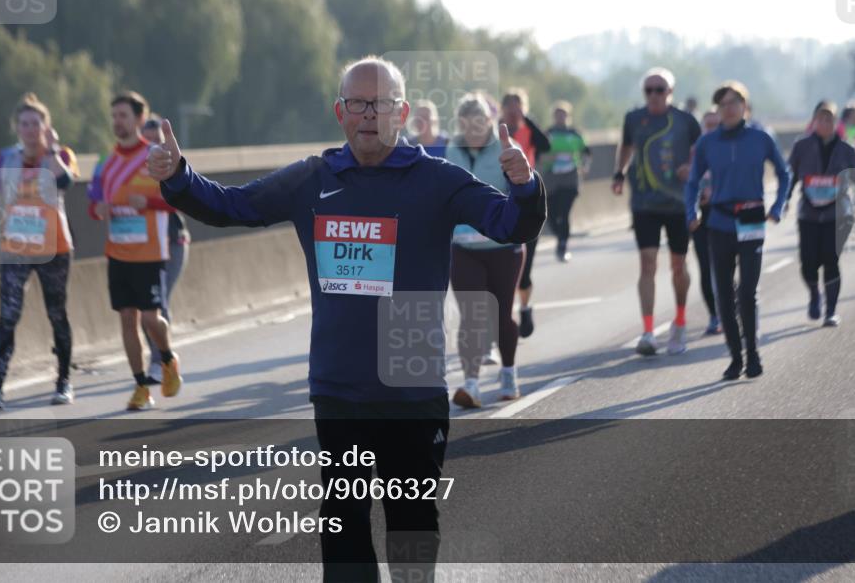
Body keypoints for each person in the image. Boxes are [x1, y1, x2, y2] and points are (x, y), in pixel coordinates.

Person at [149, 56, 545, 582]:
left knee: (412, 530)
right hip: (340, 389)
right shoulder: (314, 178)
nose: (368, 114)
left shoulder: (438, 180)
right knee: (343, 529)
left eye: (381, 104)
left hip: (411, 386)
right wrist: (178, 176)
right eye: (357, 103)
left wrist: (525, 185)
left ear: (401, 112)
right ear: (340, 112)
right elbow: (231, 206)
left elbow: (510, 225)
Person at [0, 93, 77, 409]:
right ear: (16, 127)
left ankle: (64, 382)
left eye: (36, 123)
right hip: (16, 246)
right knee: (8, 314)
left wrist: (54, 148)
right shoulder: (6, 158)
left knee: (56, 313)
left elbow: (67, 182)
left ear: (47, 127)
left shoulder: (60, 155)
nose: (30, 129)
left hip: (54, 248)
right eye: (25, 123)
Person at [685, 81, 791, 380]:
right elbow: (693, 181)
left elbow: (784, 173)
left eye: (734, 103)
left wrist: (779, 205)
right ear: (717, 110)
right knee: (724, 294)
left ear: (744, 106)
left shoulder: (760, 138)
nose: (728, 109)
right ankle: (735, 358)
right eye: (723, 105)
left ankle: (753, 354)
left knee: (746, 292)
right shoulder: (708, 143)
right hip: (718, 221)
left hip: (751, 218)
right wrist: (691, 211)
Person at [88, 91, 182, 410]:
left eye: (123, 115)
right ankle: (141, 385)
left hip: (150, 253)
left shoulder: (154, 157)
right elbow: (92, 204)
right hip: (118, 252)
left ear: (140, 119)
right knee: (127, 319)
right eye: (114, 115)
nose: (117, 121)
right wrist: (98, 209)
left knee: (150, 319)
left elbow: (176, 199)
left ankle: (168, 358)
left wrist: (150, 202)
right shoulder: (105, 162)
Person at [445, 93, 528, 407]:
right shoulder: (453, 150)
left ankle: (508, 373)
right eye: (466, 125)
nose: (473, 130)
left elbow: (524, 193)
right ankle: (471, 384)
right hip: (464, 247)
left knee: (501, 315)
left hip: (504, 248)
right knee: (471, 316)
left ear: (489, 121)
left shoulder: (506, 150)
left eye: (479, 123)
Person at [612, 67, 701, 355]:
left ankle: (680, 320)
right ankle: (648, 331)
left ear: (670, 92)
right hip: (644, 204)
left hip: (678, 203)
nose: (653, 95)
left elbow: (703, 151)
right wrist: (619, 172)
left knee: (678, 265)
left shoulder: (686, 121)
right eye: (648, 90)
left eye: (659, 89)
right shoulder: (634, 118)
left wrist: (694, 170)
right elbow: (625, 146)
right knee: (647, 264)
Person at [788, 101, 855, 327]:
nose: (825, 123)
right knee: (808, 263)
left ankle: (830, 311)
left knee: (831, 261)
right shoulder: (801, 147)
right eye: (821, 118)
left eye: (830, 118)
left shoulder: (846, 149)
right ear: (814, 121)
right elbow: (790, 176)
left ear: (836, 122)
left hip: (836, 215)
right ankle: (814, 292)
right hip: (808, 214)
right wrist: (782, 201)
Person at [140, 115, 190, 383]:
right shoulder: (133, 167)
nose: (151, 148)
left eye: (155, 141)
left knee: (157, 305)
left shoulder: (169, 165)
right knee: (145, 311)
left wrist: (145, 202)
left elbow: (178, 201)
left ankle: (160, 362)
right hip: (142, 248)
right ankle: (161, 358)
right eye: (145, 141)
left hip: (172, 243)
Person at [501, 88, 550, 337]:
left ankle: (525, 306)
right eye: (509, 107)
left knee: (525, 268)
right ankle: (505, 316)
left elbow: (546, 144)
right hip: (505, 199)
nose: (513, 112)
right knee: (504, 265)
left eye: (517, 107)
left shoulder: (529, 130)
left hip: (530, 201)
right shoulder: (499, 134)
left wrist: (527, 118)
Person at [541, 101, 591, 261]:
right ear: (553, 116)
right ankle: (560, 235)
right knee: (551, 215)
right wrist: (549, 158)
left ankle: (562, 245)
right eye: (557, 114)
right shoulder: (547, 133)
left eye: (563, 114)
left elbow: (587, 153)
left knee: (564, 212)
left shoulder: (575, 133)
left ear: (568, 116)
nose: (560, 117)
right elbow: (538, 154)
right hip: (551, 178)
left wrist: (585, 166)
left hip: (570, 177)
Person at [691, 107, 722, 335]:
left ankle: (731, 309)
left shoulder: (731, 149)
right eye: (707, 125)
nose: (710, 129)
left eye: (715, 124)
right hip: (701, 215)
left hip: (726, 214)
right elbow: (686, 183)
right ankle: (713, 315)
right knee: (704, 266)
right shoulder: (693, 152)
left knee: (726, 267)